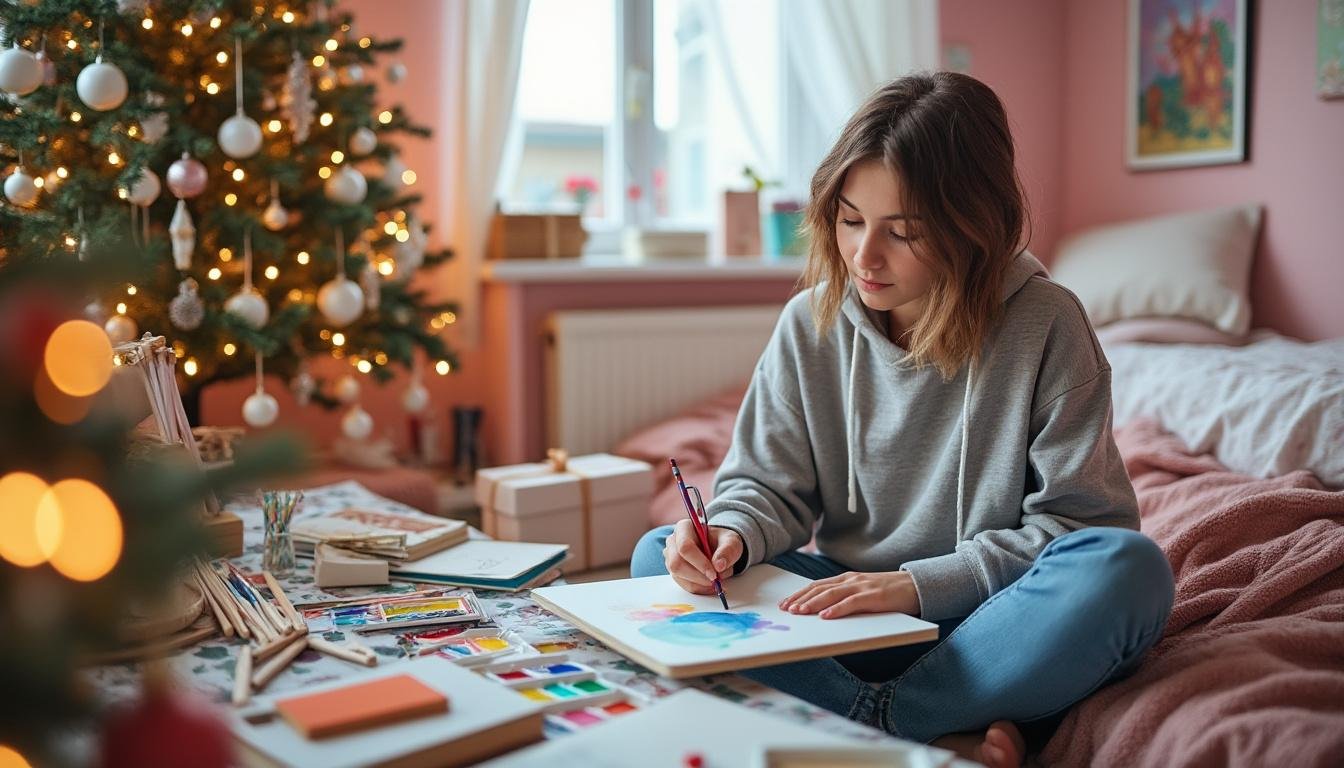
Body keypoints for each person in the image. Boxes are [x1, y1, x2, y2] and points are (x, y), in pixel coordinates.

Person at [630, 72, 1174, 768]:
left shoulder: (1048, 323)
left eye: (904, 232)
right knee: (659, 558)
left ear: (972, 223)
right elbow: (767, 486)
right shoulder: (810, 322)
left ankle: (862, 719)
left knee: (1130, 570)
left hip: (988, 618)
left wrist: (919, 586)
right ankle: (916, 726)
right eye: (850, 219)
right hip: (840, 612)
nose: (863, 255)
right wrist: (729, 533)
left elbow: (1078, 525)